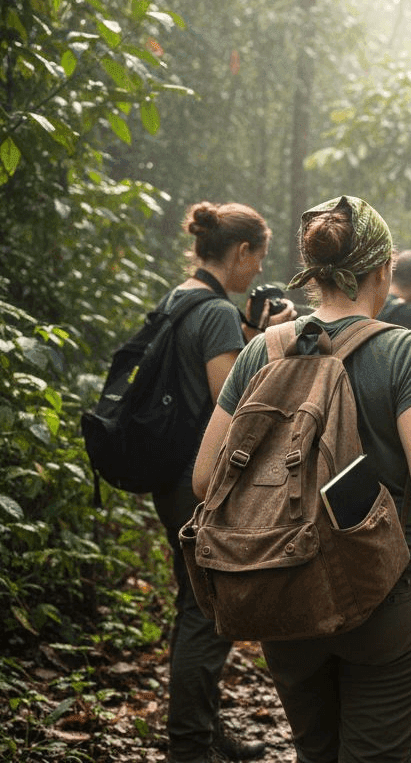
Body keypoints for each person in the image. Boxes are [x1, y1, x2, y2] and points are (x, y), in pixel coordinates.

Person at [192, 195, 411, 762]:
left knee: (316, 753)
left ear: (314, 273)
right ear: (383, 269)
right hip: (391, 587)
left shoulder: (263, 350)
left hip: (284, 585)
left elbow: (204, 480)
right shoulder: (405, 351)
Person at [155, 201, 295, 763]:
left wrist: (251, 331)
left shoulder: (179, 296)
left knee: (194, 600)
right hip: (197, 480)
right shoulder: (213, 311)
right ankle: (190, 745)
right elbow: (232, 402)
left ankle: (205, 730)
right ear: (240, 252)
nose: (259, 271)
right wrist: (276, 342)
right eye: (257, 259)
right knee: (206, 612)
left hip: (169, 473)